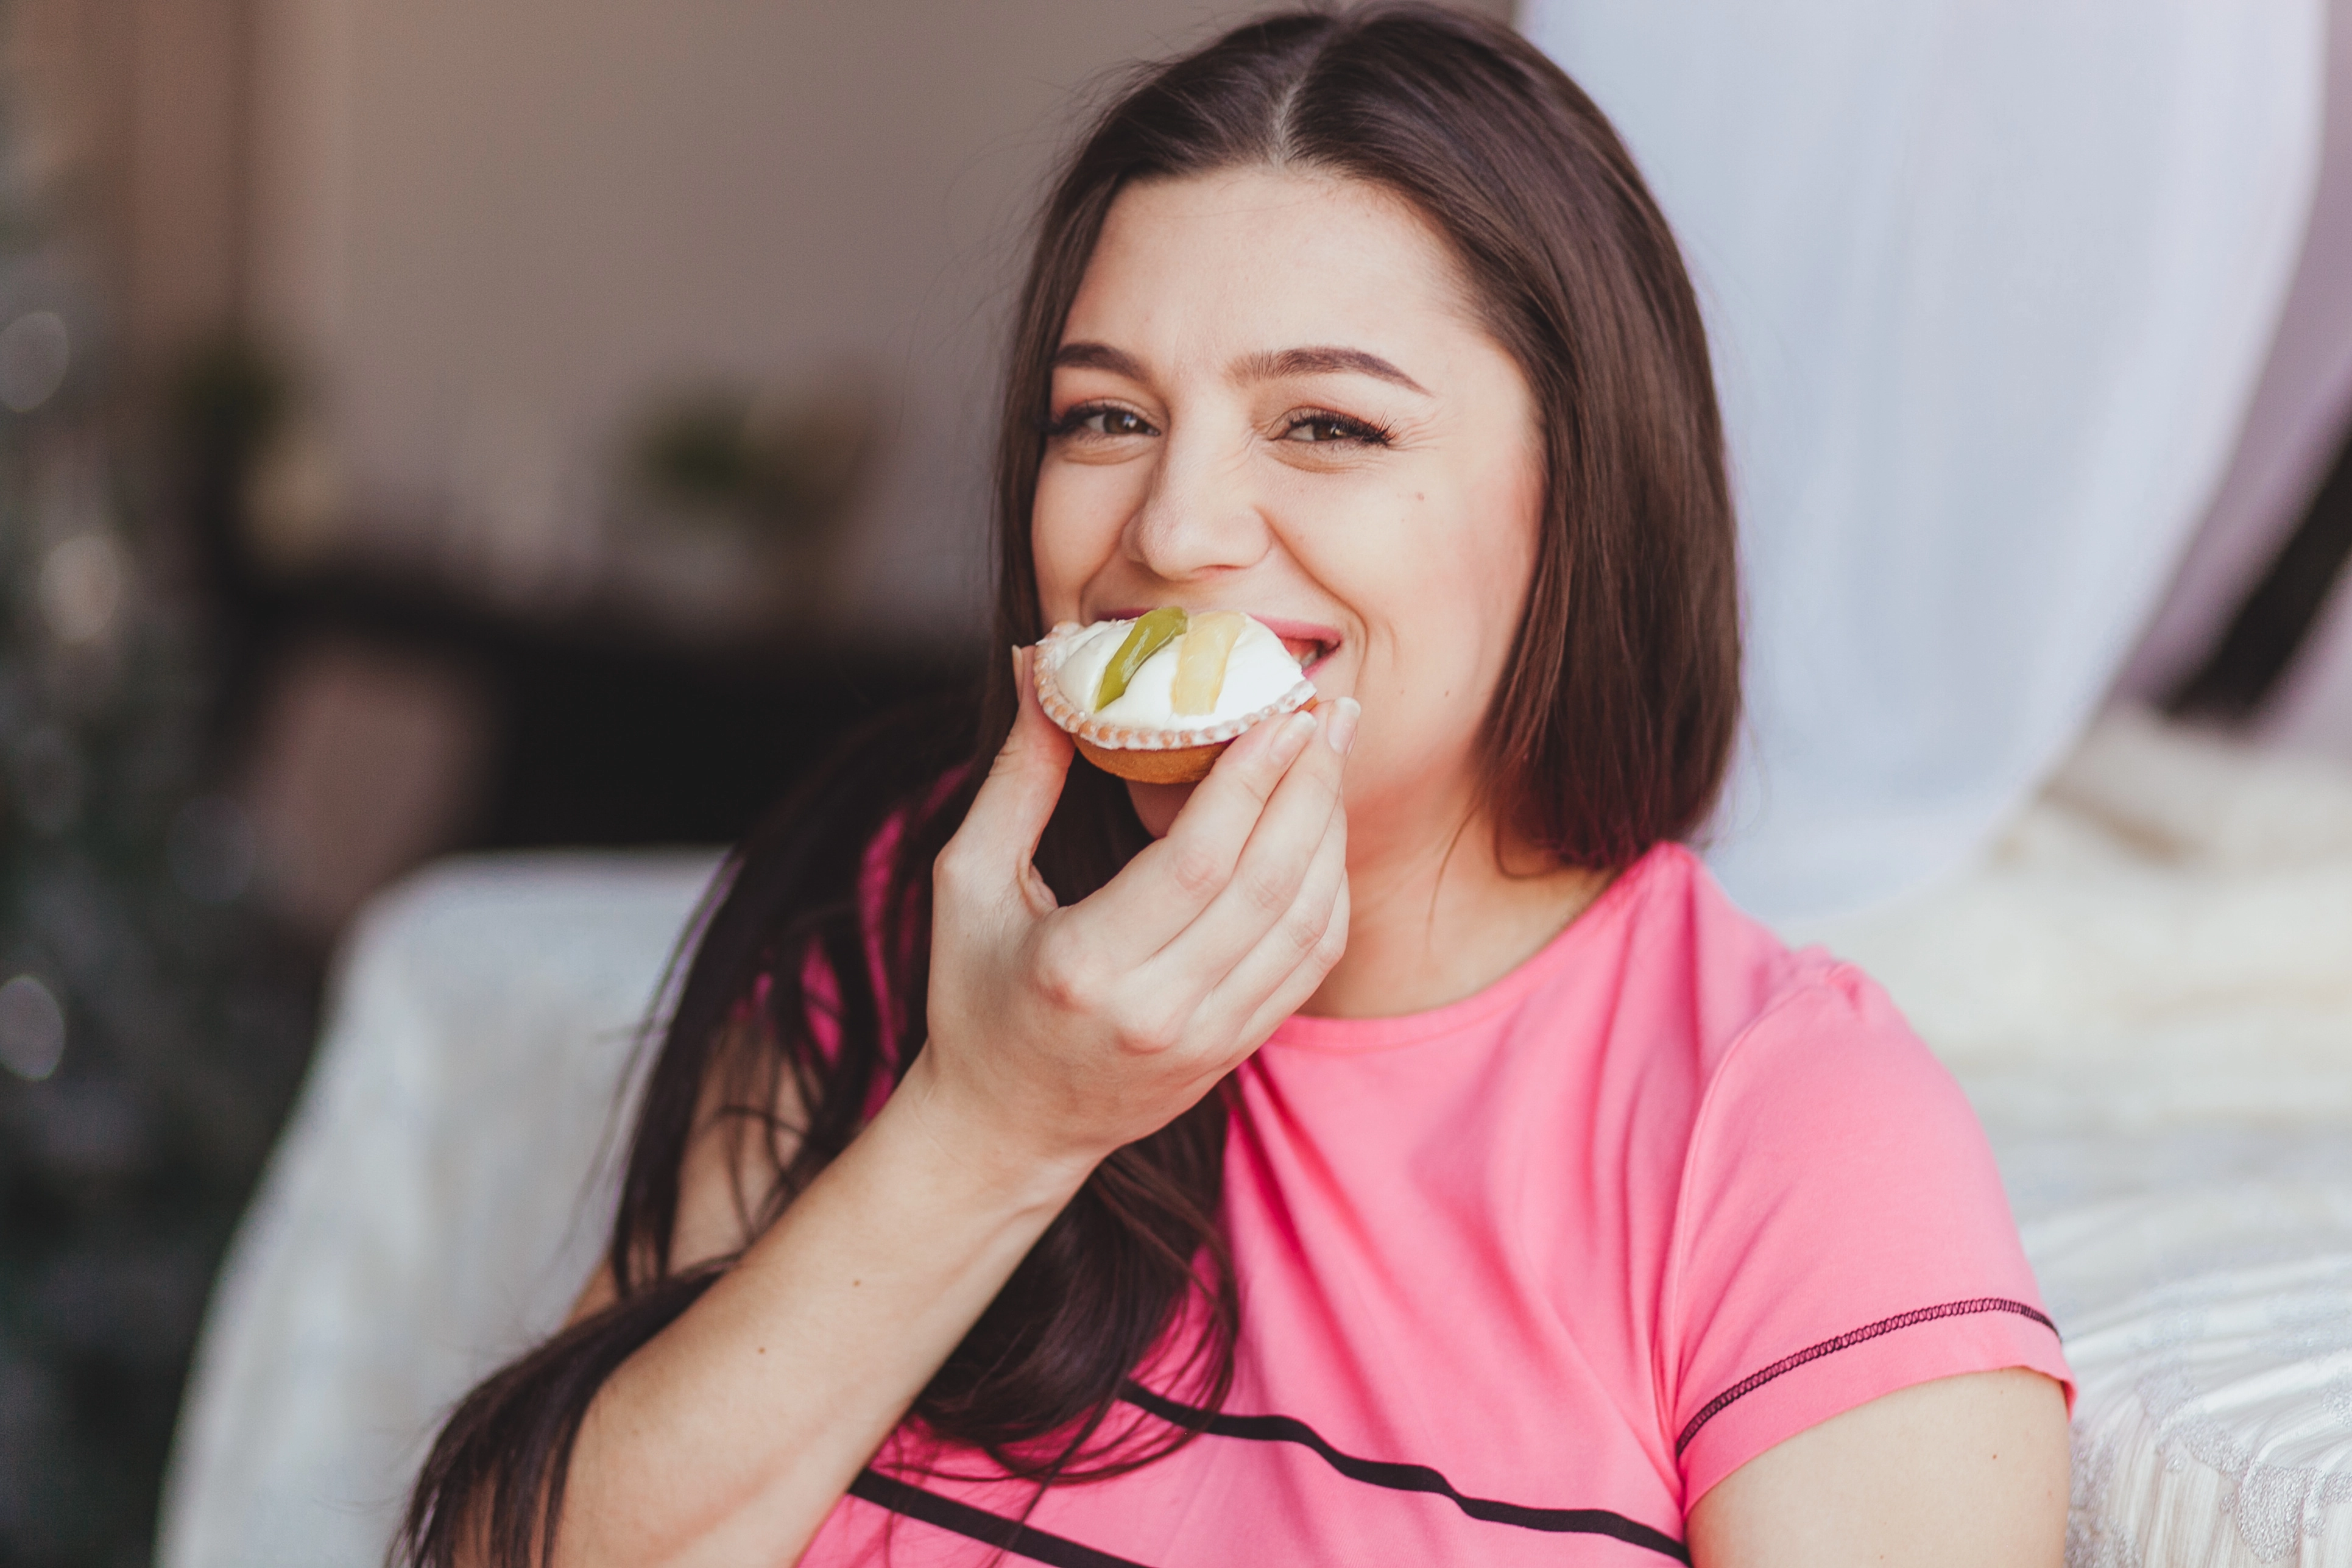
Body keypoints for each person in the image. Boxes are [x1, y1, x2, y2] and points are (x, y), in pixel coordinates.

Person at [401, 8, 2072, 1564]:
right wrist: (995, 1123)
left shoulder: (1778, 1130)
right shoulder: (910, 904)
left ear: (1581, 500)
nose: (1172, 527)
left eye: (1327, 426)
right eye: (1104, 416)